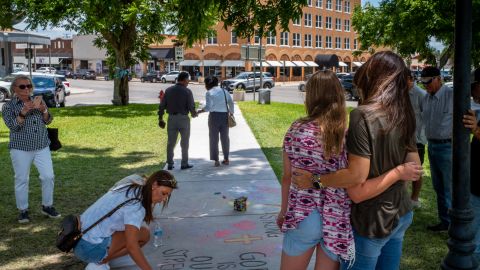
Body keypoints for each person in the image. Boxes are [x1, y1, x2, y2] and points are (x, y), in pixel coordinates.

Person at [276, 69, 421, 270]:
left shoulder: (296, 128)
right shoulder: (347, 131)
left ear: (311, 96)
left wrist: (283, 212)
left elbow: (287, 177)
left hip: (303, 213)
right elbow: (354, 173)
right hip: (336, 218)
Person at [73, 170, 178, 270]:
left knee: (142, 231)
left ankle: (106, 257)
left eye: (167, 195)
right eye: (163, 193)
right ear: (154, 185)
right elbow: (131, 246)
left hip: (78, 239)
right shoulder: (136, 206)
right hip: (88, 248)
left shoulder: (134, 183)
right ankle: (99, 263)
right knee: (142, 236)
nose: (164, 199)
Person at [2, 75, 61, 223]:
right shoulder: (8, 106)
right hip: (20, 148)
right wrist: (23, 112)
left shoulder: (37, 100)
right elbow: (13, 126)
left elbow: (48, 120)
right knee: (22, 179)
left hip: (42, 145)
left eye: (29, 86)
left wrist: (44, 110)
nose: (27, 89)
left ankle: (47, 206)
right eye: (22, 86)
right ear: (14, 88)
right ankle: (23, 210)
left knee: (48, 176)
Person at [420, 66, 454, 232]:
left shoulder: (452, 96)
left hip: (448, 146)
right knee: (438, 187)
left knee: (449, 188)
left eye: (429, 82)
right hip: (432, 146)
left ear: (439, 78)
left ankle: (455, 225)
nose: (426, 86)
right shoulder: (426, 98)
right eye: (424, 83)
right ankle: (445, 222)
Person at [158, 71, 197, 170]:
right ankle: (184, 163)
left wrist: (160, 118)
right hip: (183, 119)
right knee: (185, 142)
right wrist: (194, 113)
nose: (188, 82)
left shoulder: (169, 90)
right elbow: (191, 106)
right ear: (184, 80)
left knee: (171, 142)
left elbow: (162, 106)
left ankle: (170, 163)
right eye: (188, 80)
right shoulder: (187, 91)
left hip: (171, 118)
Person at [463, 67, 480, 262]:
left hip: (478, 188)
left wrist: (476, 130)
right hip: (475, 183)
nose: (472, 91)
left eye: (474, 87)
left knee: (473, 240)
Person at [197, 76, 234, 166]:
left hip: (214, 117)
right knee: (225, 138)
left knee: (214, 138)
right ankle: (226, 158)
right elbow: (231, 102)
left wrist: (200, 111)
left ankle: (216, 160)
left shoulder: (209, 93)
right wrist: (231, 113)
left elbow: (208, 107)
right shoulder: (225, 91)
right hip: (225, 116)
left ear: (208, 84)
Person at [408, 73, 427, 208]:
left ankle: (414, 198)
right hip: (402, 137)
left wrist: (421, 138)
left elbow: (426, 117)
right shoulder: (399, 93)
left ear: (411, 80)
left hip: (417, 139)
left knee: (416, 170)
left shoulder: (421, 94)